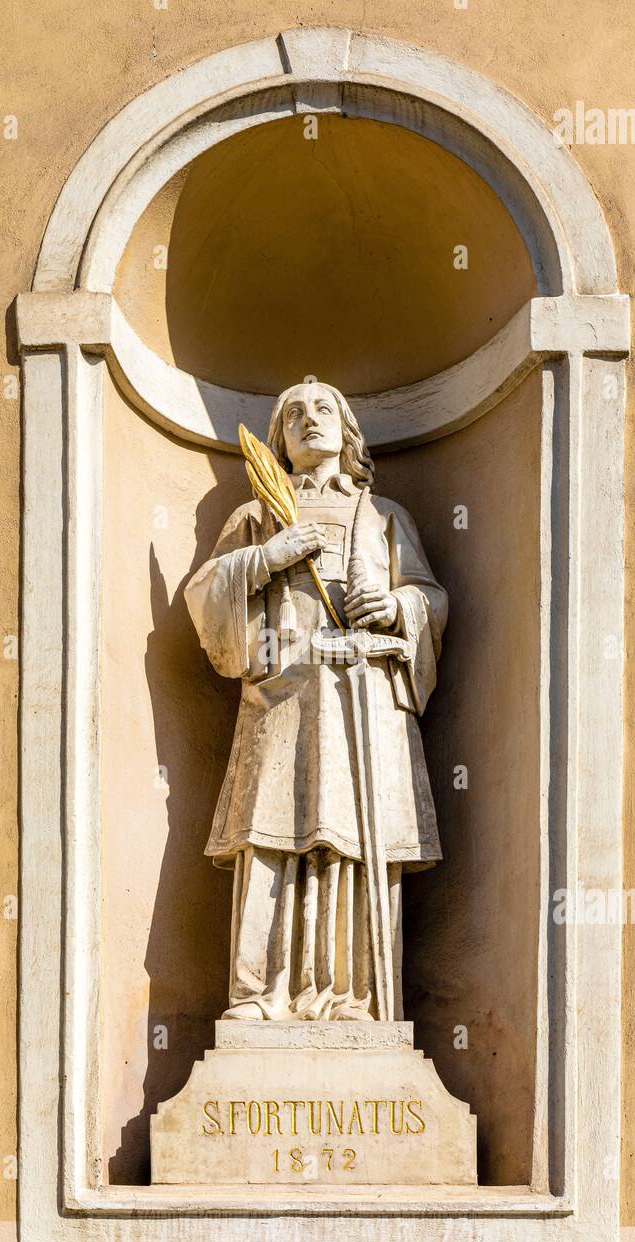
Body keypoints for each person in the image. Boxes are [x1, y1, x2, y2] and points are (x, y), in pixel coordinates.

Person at [185, 380, 448, 1021]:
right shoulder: (256, 517)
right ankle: (259, 994)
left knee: (355, 839)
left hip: (361, 698)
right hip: (281, 695)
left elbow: (429, 599)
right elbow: (205, 595)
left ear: (347, 431)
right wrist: (266, 558)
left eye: (323, 409)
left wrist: (395, 606)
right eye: (293, 413)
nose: (308, 420)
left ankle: (352, 995)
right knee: (271, 833)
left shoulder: (384, 516)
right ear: (278, 439)